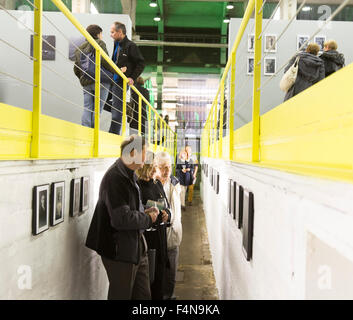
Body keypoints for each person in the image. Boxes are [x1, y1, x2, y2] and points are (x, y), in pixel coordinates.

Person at [85, 135, 159, 300]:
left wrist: (146, 211)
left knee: (143, 295)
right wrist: (148, 219)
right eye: (144, 153)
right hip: (120, 251)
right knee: (121, 295)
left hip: (136, 247)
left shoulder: (129, 174)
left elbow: (131, 208)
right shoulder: (115, 178)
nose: (146, 158)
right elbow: (121, 219)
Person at [136, 151, 170, 300]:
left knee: (159, 283)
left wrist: (167, 213)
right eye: (151, 166)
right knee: (147, 285)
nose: (153, 170)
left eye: (154, 166)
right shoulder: (137, 186)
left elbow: (166, 206)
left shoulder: (156, 184)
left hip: (160, 239)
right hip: (148, 241)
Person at [74, 24, 114, 128]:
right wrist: (117, 72)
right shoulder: (99, 43)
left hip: (86, 82)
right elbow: (105, 62)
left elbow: (76, 68)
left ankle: (85, 130)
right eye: (101, 33)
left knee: (87, 108)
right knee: (97, 109)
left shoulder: (80, 48)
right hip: (101, 81)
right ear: (97, 34)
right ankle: (94, 133)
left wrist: (83, 78)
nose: (102, 36)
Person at [109, 22, 145, 135]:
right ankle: (126, 108)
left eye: (112, 32)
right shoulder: (116, 43)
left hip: (121, 82)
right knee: (103, 101)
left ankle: (113, 134)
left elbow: (141, 63)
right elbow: (115, 60)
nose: (111, 35)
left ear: (120, 32)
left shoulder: (131, 46)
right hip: (112, 79)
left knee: (116, 110)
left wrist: (132, 77)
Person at [155, 152, 182, 300]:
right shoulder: (151, 183)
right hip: (158, 238)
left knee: (171, 275)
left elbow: (176, 211)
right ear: (156, 167)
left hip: (172, 235)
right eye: (163, 167)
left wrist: (170, 215)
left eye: (169, 167)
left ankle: (169, 296)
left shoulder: (175, 183)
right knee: (158, 275)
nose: (167, 171)